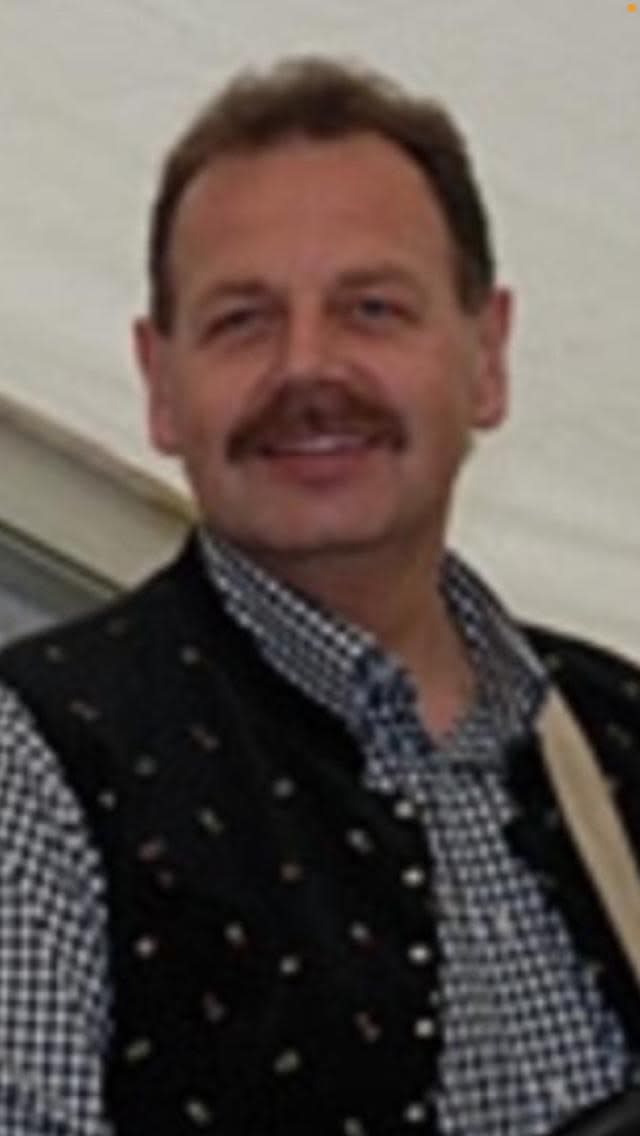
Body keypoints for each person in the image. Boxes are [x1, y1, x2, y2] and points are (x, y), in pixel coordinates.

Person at [0, 56, 639, 1136]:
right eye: (242, 320)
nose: (308, 368)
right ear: (160, 384)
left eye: (371, 309)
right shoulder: (34, 760)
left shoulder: (614, 729)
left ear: (486, 358)